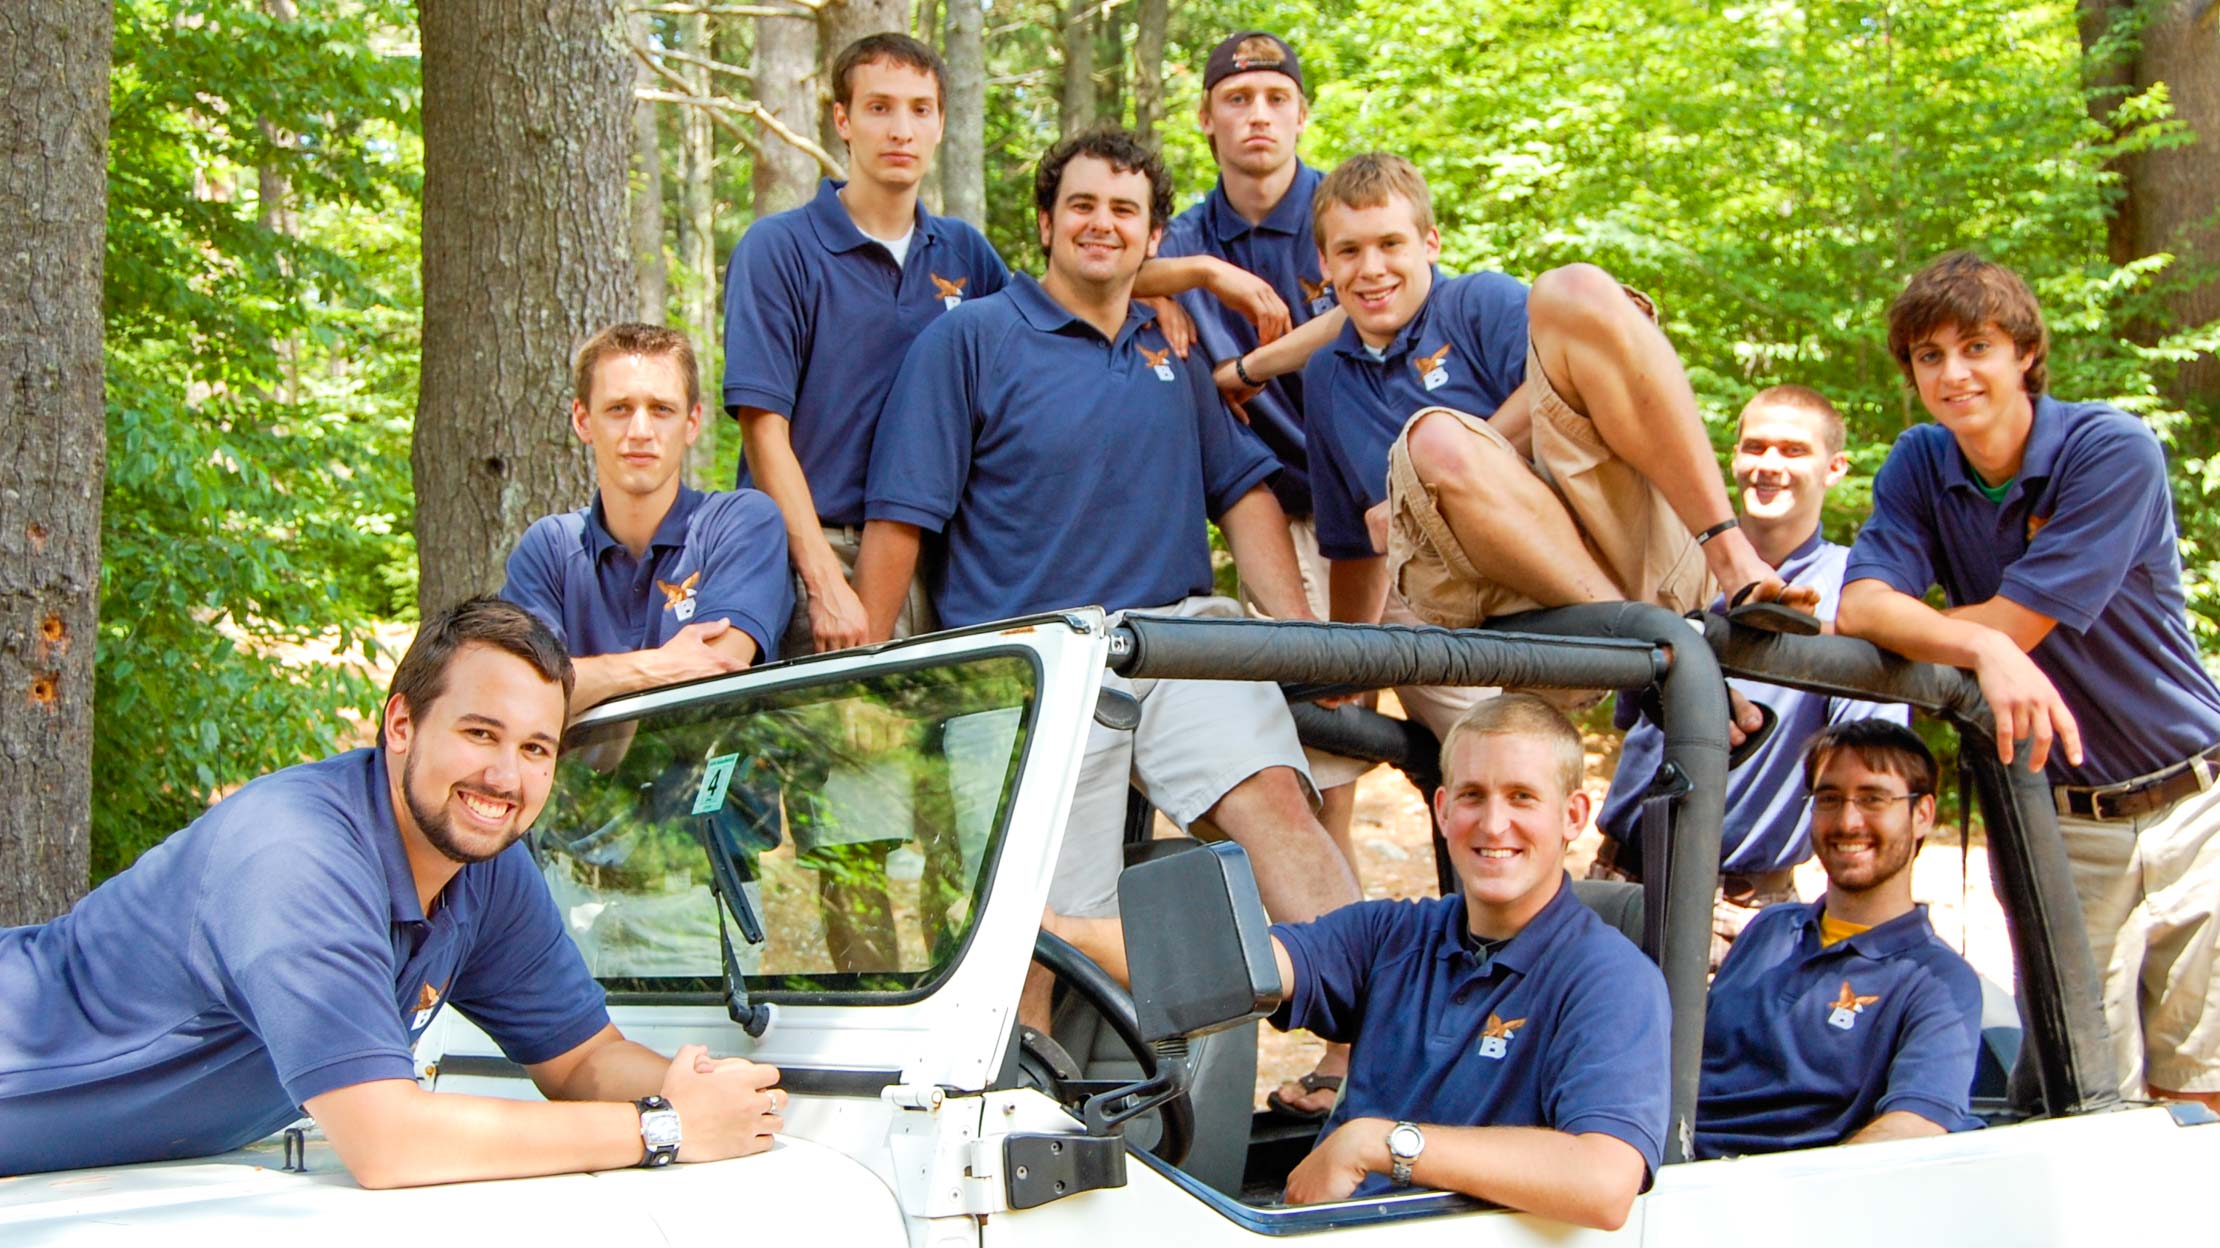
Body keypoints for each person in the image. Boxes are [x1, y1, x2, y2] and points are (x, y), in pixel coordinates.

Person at [0, 598, 786, 1184]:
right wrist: (664, 1127)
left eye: (536, 747)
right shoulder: (294, 855)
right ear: (400, 725)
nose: (505, 778)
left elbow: (583, 1059)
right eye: (480, 733)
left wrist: (704, 1089)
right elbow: (386, 1141)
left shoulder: (485, 866)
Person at [854, 126, 1359, 960]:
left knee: (1276, 804)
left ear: (1154, 236)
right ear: (1045, 223)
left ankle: (1382, 1037)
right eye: (1081, 204)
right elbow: (900, 519)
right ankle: (1039, 1088)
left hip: (1175, 640)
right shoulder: (971, 340)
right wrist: (868, 680)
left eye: (1125, 210)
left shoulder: (1175, 349)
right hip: (1033, 665)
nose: (1103, 223)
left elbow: (1239, 495)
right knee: (1043, 946)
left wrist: (1308, 634)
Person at [1836, 251, 2220, 1110]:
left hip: (2196, 804)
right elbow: (1860, 607)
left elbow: (2012, 624)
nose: (1954, 372)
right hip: (2064, 819)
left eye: (1976, 346)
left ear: (2024, 355)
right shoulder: (1920, 464)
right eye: (1929, 356)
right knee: (2087, 1089)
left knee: (2204, 1081)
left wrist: (1983, 639)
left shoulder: (2109, 450)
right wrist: (1986, 647)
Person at [1303, 154, 1816, 726]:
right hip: (1481, 600)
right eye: (1349, 251)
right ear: (1324, 261)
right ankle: (1659, 658)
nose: (1370, 268)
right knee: (1434, 443)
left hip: (1616, 535)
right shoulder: (1326, 380)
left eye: (1390, 244)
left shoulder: (1477, 304)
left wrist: (1422, 485)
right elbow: (1351, 551)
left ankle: (1730, 564)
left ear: (1431, 243)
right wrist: (1347, 658)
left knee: (1576, 290)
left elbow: (1573, 388)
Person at [1266, 694, 1666, 1230]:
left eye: (1522, 797)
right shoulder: (1392, 934)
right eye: (1473, 796)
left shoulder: (1610, 979)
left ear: (1573, 816)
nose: (1494, 824)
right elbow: (1239, 961)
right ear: (1443, 810)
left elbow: (1604, 1183)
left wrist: (1381, 1143)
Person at [721, 33, 1008, 659]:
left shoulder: (968, 256)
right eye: (879, 108)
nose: (901, 129)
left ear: (939, 126)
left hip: (948, 560)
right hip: (817, 555)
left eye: (920, 109)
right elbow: (763, 430)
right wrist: (825, 582)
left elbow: (1058, 336)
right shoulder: (780, 249)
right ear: (843, 120)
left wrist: (1184, 282)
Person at [1595, 386, 1908, 958]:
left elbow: (1869, 766)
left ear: (1835, 467)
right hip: (1620, 878)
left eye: (1793, 451)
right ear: (1733, 458)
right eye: (1755, 448)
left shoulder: (1853, 590)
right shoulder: (1676, 563)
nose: (1769, 466)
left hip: (1744, 908)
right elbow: (1629, 719)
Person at [1697, 720, 1984, 1156]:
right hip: (1663, 1173)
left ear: (1922, 813)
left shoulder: (1938, 981)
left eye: (1873, 799)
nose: (1848, 822)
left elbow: (1913, 1127)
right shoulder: (1771, 929)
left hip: (1776, 1199)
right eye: (1829, 799)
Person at [503, 322, 791, 715]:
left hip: (712, 775)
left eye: (661, 410)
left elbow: (712, 679)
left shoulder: (741, 523)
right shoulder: (550, 548)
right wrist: (657, 666)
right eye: (619, 408)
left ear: (692, 423)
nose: (640, 431)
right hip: (578, 779)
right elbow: (516, 694)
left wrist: (573, 682)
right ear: (583, 420)